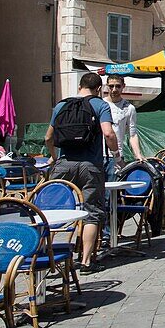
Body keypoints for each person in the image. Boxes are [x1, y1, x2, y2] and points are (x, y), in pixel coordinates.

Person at [45, 72, 119, 272]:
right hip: (90, 166)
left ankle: (47, 257)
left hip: (63, 164)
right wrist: (116, 152)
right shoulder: (100, 105)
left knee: (51, 211)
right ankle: (86, 261)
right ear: (98, 89)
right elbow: (108, 133)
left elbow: (48, 137)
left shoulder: (61, 105)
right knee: (92, 213)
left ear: (79, 86)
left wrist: (54, 156)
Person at [104, 75, 143, 173]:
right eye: (111, 86)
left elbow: (132, 134)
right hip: (97, 155)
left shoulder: (129, 108)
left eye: (117, 86)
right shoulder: (100, 104)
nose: (114, 89)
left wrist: (138, 155)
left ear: (123, 86)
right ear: (106, 86)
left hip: (116, 157)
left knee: (113, 187)